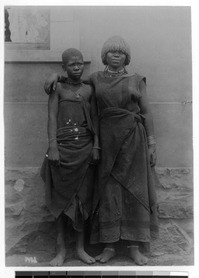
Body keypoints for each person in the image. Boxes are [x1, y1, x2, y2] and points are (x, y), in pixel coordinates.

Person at [44, 36, 159, 265]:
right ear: (104, 56)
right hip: (106, 141)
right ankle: (109, 246)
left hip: (134, 141)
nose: (116, 55)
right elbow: (73, 79)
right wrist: (56, 75)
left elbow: (146, 112)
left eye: (121, 52)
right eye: (111, 52)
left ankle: (135, 247)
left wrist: (151, 144)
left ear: (127, 56)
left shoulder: (137, 80)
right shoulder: (95, 79)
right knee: (108, 192)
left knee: (134, 191)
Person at [41, 48, 100, 266]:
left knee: (81, 202)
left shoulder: (88, 90)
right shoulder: (57, 89)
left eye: (80, 63)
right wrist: (52, 147)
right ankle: (61, 250)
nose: (77, 67)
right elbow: (51, 118)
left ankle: (80, 248)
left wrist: (96, 146)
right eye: (72, 64)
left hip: (84, 150)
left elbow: (95, 120)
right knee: (60, 201)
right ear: (63, 66)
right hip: (61, 151)